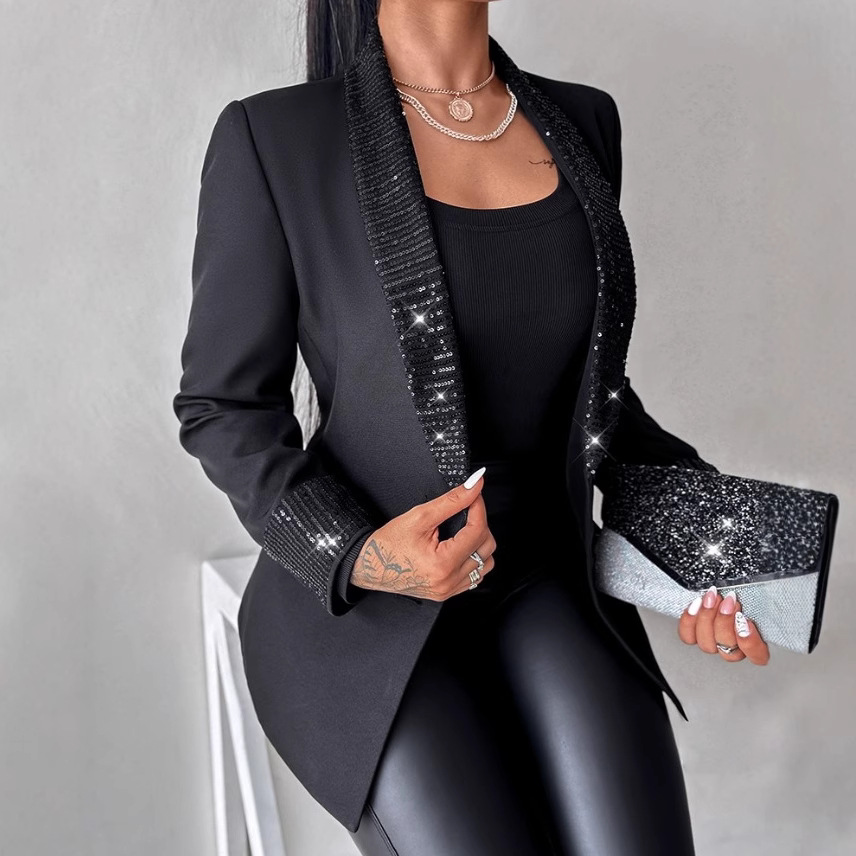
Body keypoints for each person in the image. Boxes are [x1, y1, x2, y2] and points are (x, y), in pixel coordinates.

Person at [173, 1, 770, 853]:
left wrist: (721, 557)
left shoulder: (585, 122)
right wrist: (364, 555)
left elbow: (595, 399)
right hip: (363, 620)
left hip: (548, 584)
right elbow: (224, 408)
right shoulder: (273, 140)